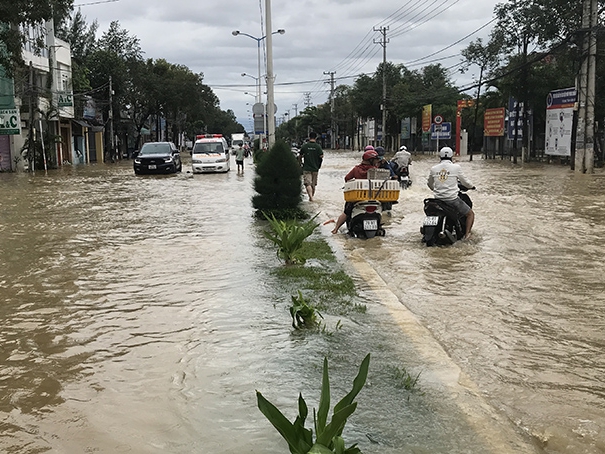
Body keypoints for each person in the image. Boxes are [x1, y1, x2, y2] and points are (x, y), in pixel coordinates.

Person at [427, 146, 475, 239]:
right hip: (452, 200)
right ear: (451, 156)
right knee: (470, 214)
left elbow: (429, 184)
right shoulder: (456, 167)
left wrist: (436, 190)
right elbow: (465, 182)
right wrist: (472, 186)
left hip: (437, 200)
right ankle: (467, 235)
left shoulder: (434, 168)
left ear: (440, 156)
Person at [331, 149, 381, 234]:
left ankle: (335, 229)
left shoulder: (356, 169)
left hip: (357, 198)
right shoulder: (375, 170)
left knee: (346, 212)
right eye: (375, 160)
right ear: (370, 160)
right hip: (373, 197)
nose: (376, 162)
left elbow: (347, 178)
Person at [299, 131, 324, 201]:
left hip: (306, 168)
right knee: (313, 185)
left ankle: (311, 198)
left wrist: (300, 163)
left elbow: (300, 156)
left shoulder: (305, 146)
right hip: (315, 168)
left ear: (309, 137)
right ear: (315, 138)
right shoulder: (318, 147)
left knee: (307, 184)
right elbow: (321, 156)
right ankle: (311, 197)